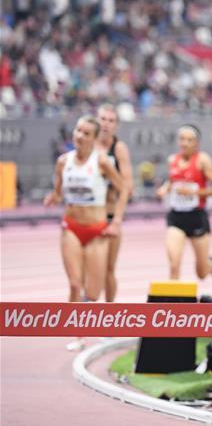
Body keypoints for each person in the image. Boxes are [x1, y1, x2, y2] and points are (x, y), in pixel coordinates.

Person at [43, 116, 127, 350]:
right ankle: (77, 335)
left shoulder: (101, 162)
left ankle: (86, 312)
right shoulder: (63, 161)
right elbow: (58, 191)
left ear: (94, 138)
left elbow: (124, 190)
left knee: (93, 291)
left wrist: (117, 220)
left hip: (97, 230)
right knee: (74, 283)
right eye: (78, 131)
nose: (79, 136)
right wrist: (53, 197)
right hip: (71, 227)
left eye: (86, 133)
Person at [156, 125, 212, 282]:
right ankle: (173, 304)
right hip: (176, 217)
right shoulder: (172, 160)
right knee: (174, 264)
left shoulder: (202, 161)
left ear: (196, 143)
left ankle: (211, 265)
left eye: (189, 140)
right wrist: (165, 189)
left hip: (197, 217)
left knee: (201, 272)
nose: (184, 143)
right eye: (182, 139)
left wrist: (193, 192)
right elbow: (172, 182)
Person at [94, 103, 133, 302]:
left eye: (110, 121)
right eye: (102, 119)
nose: (106, 124)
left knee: (108, 269)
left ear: (116, 125)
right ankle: (82, 315)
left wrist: (117, 220)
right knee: (89, 269)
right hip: (88, 216)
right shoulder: (87, 144)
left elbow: (128, 187)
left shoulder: (119, 148)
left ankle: (109, 316)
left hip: (109, 216)